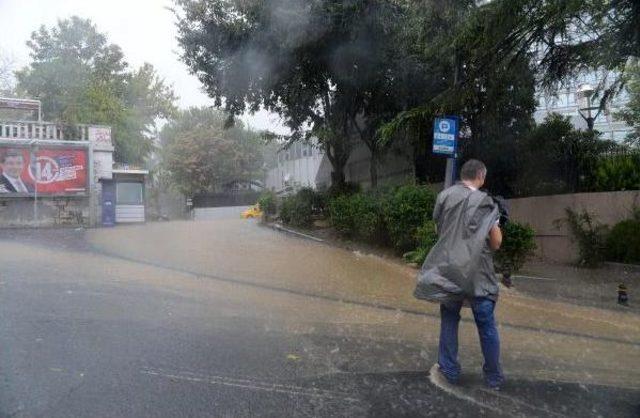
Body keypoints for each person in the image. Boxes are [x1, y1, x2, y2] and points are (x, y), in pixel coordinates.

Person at [414, 159, 504, 389]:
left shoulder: (444, 196)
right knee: (486, 324)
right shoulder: (486, 202)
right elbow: (495, 243)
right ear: (481, 176)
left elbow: (440, 231)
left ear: (462, 175)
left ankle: (449, 370)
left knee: (450, 318)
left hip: (450, 270)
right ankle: (493, 378)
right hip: (479, 274)